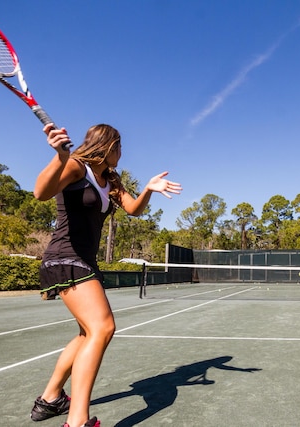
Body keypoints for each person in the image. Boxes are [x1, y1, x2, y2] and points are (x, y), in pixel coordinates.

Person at [30, 123, 182, 427]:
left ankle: (50, 398)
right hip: (65, 257)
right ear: (108, 146)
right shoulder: (75, 166)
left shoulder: (110, 178)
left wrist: (148, 190)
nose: (122, 153)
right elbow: (40, 193)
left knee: (88, 332)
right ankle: (77, 421)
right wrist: (59, 157)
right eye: (120, 147)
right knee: (103, 327)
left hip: (84, 260)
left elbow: (134, 209)